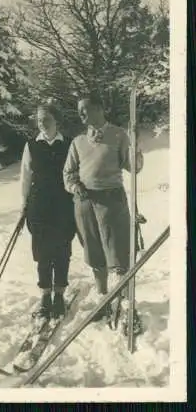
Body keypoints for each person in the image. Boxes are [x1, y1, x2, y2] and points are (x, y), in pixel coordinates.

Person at [63, 93, 143, 330]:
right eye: (79, 111)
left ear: (99, 108)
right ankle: (103, 299)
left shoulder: (119, 134)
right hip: (85, 202)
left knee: (118, 251)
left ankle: (126, 303)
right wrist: (75, 186)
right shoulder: (78, 141)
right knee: (94, 251)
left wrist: (135, 148)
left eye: (85, 109)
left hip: (112, 200)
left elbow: (133, 168)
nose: (81, 114)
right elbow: (68, 173)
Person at [20, 102, 76, 320]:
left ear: (57, 121)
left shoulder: (70, 144)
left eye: (47, 119)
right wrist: (24, 205)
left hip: (64, 205)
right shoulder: (31, 145)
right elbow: (26, 177)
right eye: (39, 119)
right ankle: (45, 295)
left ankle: (59, 295)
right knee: (42, 252)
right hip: (39, 205)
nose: (42, 123)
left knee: (62, 250)